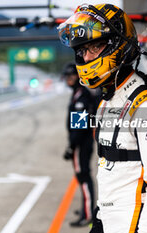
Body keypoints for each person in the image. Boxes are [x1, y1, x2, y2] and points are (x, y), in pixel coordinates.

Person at [58, 4, 147, 233]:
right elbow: (111, 170)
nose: (87, 56)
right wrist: (100, 218)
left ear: (117, 46)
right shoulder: (107, 100)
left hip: (137, 226)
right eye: (83, 50)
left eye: (95, 46)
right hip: (109, 220)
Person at [62, 63, 95, 227]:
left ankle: (87, 215)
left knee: (83, 176)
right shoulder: (78, 93)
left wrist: (71, 146)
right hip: (82, 142)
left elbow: (79, 126)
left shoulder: (81, 96)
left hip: (81, 143)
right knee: (83, 176)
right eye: (67, 76)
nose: (69, 79)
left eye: (72, 76)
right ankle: (86, 208)